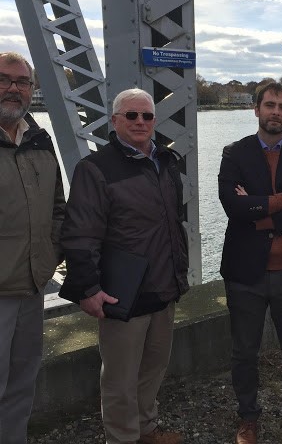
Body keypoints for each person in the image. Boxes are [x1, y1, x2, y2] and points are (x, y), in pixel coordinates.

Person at [59, 88, 189, 444]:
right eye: (131, 115)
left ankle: (146, 428)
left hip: (163, 286)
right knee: (119, 379)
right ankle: (122, 438)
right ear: (115, 121)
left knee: (153, 369)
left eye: (147, 116)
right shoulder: (96, 169)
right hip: (124, 293)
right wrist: (88, 288)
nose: (140, 122)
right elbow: (80, 233)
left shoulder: (165, 161)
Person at [218, 82, 282, 444]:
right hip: (245, 272)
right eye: (269, 105)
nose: (276, 112)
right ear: (256, 110)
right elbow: (233, 207)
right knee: (244, 351)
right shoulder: (234, 153)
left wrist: (260, 209)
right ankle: (248, 417)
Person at [0, 51, 66, 443]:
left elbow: (58, 206)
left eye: (22, 82)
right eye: (4, 79)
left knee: (22, 384)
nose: (13, 88)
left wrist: (49, 257)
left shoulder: (39, 140)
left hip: (31, 285)